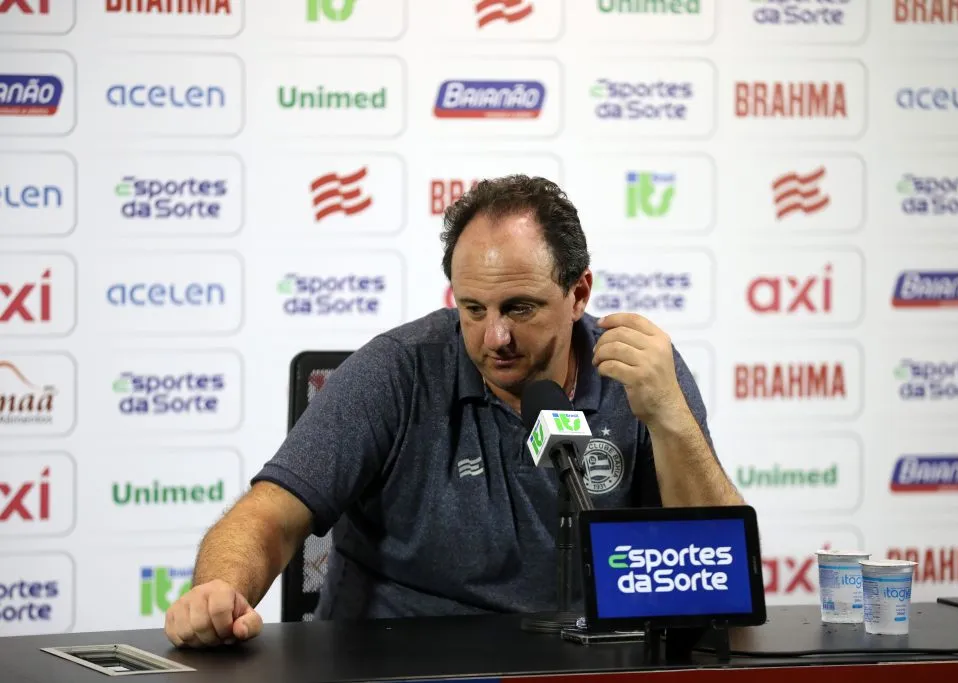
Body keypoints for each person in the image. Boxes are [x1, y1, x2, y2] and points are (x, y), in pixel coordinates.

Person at [163, 174, 743, 648]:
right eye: (473, 308)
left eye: (520, 308)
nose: (495, 337)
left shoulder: (637, 371)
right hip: (398, 661)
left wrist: (671, 419)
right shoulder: (397, 369)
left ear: (578, 294)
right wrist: (218, 590)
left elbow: (721, 576)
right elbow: (269, 515)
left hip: (585, 658)